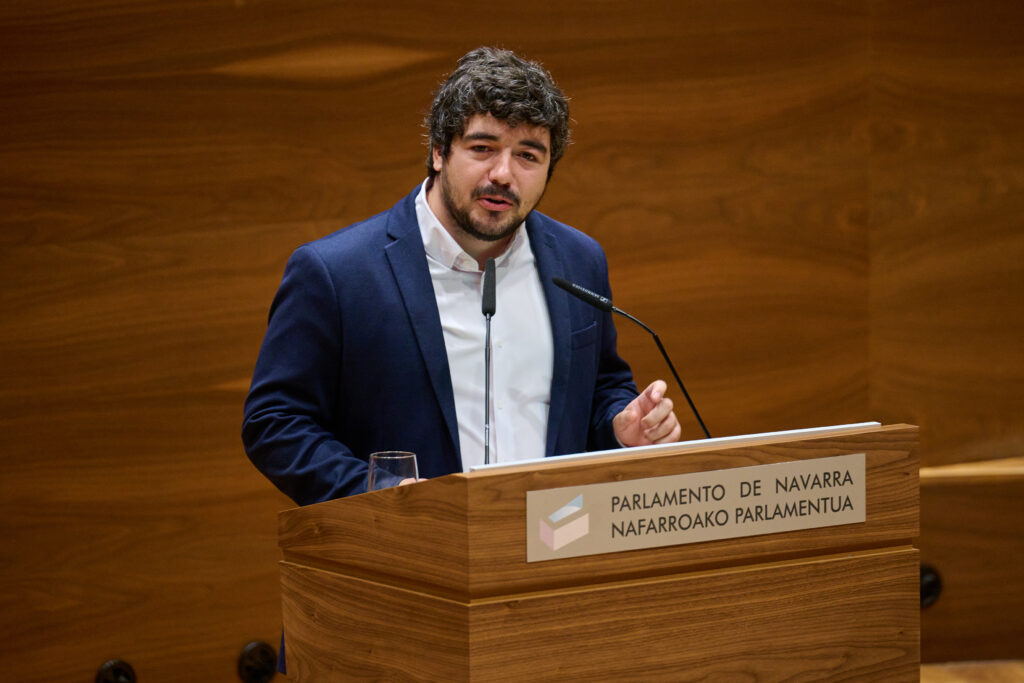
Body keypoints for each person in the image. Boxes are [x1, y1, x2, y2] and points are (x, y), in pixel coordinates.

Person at [242, 47, 681, 507]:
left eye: (528, 155)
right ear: (438, 151)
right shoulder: (338, 273)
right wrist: (378, 494)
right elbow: (275, 421)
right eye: (482, 148)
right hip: (412, 555)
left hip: (557, 541)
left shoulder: (578, 260)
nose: (503, 174)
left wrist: (620, 424)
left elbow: (600, 386)